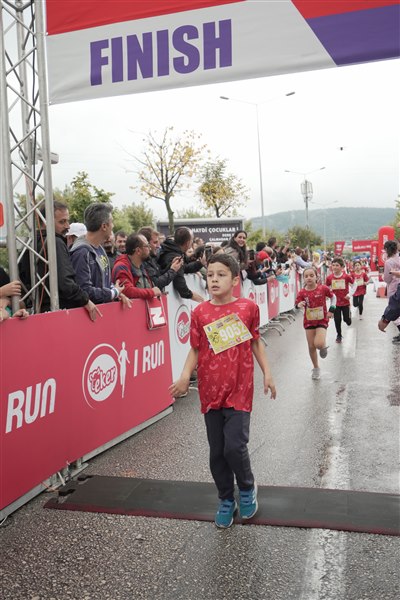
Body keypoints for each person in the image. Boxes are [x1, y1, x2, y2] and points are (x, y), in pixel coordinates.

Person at [169, 254, 276, 529]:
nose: (214, 280)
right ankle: (226, 499)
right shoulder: (200, 313)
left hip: (239, 389)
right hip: (210, 391)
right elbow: (195, 349)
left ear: (235, 280)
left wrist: (267, 372)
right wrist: (184, 377)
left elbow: (256, 342)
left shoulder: (248, 308)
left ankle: (247, 487)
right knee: (217, 452)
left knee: (234, 447)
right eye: (210, 275)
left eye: (221, 274)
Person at [70, 203, 130, 307]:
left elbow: (104, 283)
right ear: (104, 226)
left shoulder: (99, 248)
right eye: (111, 222)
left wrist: (116, 292)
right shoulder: (81, 252)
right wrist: (113, 292)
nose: (113, 226)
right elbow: (84, 291)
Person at [295, 266, 336, 380]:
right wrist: (299, 305)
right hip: (309, 321)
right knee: (311, 346)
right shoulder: (302, 292)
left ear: (316, 277)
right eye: (306, 276)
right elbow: (297, 304)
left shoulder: (323, 288)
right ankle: (316, 367)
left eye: (311, 275)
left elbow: (333, 297)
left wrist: (332, 309)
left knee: (318, 343)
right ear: (303, 278)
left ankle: (322, 346)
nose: (309, 278)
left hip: (322, 320)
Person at [158, 227, 204, 303]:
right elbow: (180, 284)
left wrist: (200, 263)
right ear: (188, 243)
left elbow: (185, 268)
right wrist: (195, 297)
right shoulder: (174, 255)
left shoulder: (174, 250)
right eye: (192, 240)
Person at [112, 233, 163, 299]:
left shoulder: (141, 266)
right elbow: (127, 291)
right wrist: (152, 292)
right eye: (147, 246)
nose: (150, 249)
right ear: (138, 250)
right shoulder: (121, 267)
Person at [326, 256, 354, 343]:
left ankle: (348, 317)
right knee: (337, 320)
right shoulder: (329, 278)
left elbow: (355, 285)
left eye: (337, 265)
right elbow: (327, 287)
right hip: (335, 303)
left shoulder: (346, 276)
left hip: (345, 302)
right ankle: (339, 335)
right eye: (333, 265)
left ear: (342, 267)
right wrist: (327, 294)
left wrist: (349, 294)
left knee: (347, 320)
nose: (334, 267)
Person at [383, 240, 400, 342]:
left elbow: (387, 278)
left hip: (394, 288)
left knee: (394, 311)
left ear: (386, 249)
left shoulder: (389, 262)